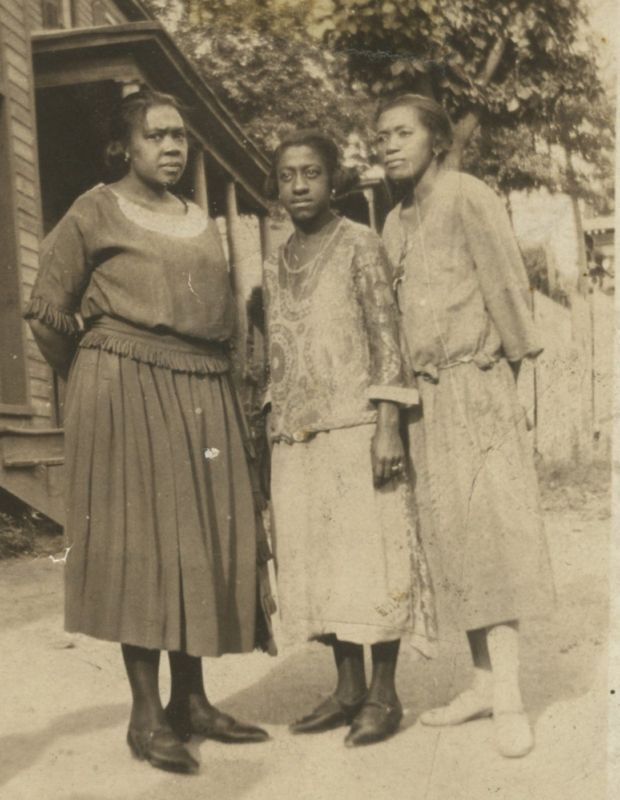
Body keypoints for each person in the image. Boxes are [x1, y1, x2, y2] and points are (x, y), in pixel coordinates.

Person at [25, 88, 273, 775]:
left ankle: (192, 700)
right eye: (156, 136)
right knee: (142, 546)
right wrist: (97, 372)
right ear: (125, 148)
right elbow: (47, 310)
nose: (171, 148)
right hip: (123, 390)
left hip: (201, 388)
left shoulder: (198, 219)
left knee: (194, 542)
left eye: (180, 137)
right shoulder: (94, 210)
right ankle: (145, 714)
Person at [375, 94, 555, 758]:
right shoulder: (393, 224)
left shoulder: (468, 195)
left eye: (403, 133)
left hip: (478, 386)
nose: (390, 145)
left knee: (492, 540)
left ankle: (508, 696)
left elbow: (509, 287)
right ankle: (480, 682)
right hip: (426, 403)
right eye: (382, 136)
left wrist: (522, 384)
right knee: (453, 541)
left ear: (435, 140)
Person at [262, 129, 436, 747]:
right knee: (320, 566)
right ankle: (345, 689)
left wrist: (388, 423)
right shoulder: (275, 260)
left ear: (333, 179)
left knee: (372, 560)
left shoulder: (361, 243)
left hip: (357, 428)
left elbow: (388, 338)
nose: (299, 185)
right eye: (287, 175)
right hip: (297, 437)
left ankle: (384, 695)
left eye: (311, 172)